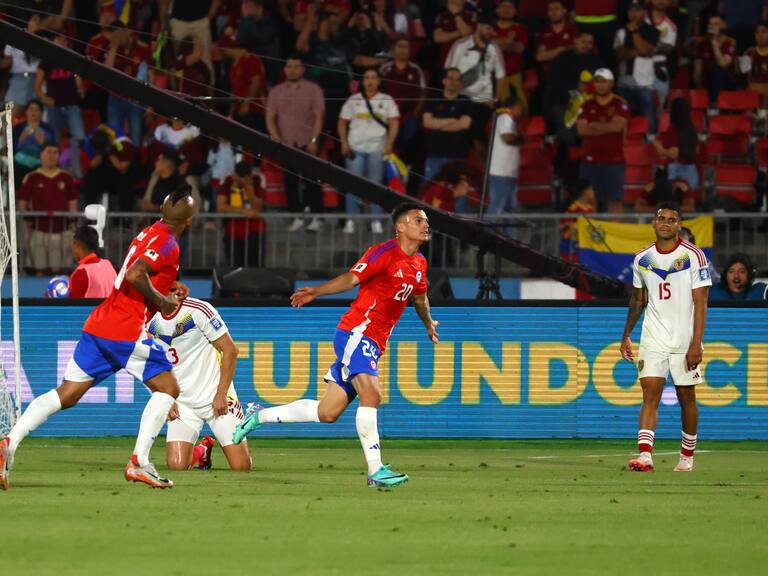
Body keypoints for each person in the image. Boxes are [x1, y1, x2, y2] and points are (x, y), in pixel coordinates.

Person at [1, 187, 199, 491]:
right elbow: (135, 275)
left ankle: (8, 444)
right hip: (125, 327)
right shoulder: (169, 243)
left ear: (163, 207)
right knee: (169, 388)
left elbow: (138, 273)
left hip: (100, 322)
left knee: (67, 393)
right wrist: (162, 299)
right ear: (190, 221)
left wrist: (168, 285)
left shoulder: (149, 232)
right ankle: (139, 462)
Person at [233, 203, 439, 488]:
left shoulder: (419, 263)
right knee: (372, 395)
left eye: (426, 220)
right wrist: (317, 290)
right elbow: (351, 278)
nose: (425, 224)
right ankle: (376, 470)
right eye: (418, 219)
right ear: (400, 226)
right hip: (357, 333)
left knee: (328, 412)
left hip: (374, 342)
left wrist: (428, 323)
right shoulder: (383, 253)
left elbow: (419, 298)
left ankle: (259, 415)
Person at [620, 202, 711, 473]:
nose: (666, 223)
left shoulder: (694, 256)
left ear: (679, 225)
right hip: (653, 336)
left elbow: (701, 301)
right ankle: (645, 456)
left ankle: (687, 457)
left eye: (672, 219)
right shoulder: (642, 258)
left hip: (684, 338)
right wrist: (626, 334)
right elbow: (638, 300)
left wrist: (696, 343)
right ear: (653, 223)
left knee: (686, 397)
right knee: (650, 392)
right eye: (662, 218)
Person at [147, 298, 252, 471]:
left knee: (241, 467)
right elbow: (147, 363)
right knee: (176, 466)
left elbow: (230, 350)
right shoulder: (147, 318)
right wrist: (163, 397)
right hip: (183, 404)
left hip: (215, 398)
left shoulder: (198, 310)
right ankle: (202, 451)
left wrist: (221, 394)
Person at [266, 55, 325, 233]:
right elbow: (270, 117)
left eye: (296, 66)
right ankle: (296, 215)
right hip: (286, 142)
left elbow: (318, 116)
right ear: (284, 69)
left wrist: (314, 140)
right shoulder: (276, 91)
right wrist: (276, 137)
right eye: (289, 66)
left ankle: (316, 216)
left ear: (302, 69)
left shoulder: (313, 89)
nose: (292, 70)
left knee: (312, 181)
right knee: (290, 182)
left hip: (308, 141)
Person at [338, 67, 400, 234]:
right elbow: (342, 122)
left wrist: (390, 142)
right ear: (362, 81)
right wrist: (344, 143)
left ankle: (375, 221)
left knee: (375, 185)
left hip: (377, 147)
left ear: (379, 81)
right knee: (352, 184)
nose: (370, 81)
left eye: (373, 78)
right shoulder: (353, 100)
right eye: (367, 78)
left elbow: (394, 122)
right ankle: (351, 220)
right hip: (355, 147)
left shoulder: (386, 99)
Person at [445, 12, 506, 152]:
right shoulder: (460, 45)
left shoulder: (494, 49)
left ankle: (482, 169)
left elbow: (501, 76)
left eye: (493, 29)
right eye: (489, 28)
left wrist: (496, 99)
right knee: (462, 135)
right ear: (479, 26)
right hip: (461, 99)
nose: (492, 32)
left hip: (484, 102)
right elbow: (448, 71)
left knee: (478, 136)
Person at [18, 143, 79, 277]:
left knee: (57, 270)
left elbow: (72, 205)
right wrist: (26, 226)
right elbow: (23, 204)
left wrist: (72, 226)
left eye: (55, 152)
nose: (51, 156)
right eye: (48, 152)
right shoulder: (32, 177)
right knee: (39, 269)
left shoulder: (66, 177)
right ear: (41, 155)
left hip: (61, 231)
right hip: (38, 230)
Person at [576, 68, 630, 213]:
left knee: (615, 201)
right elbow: (581, 130)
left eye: (604, 81)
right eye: (597, 81)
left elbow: (617, 126)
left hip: (613, 161)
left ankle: (617, 234)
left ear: (611, 83)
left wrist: (593, 125)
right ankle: (591, 235)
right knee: (587, 200)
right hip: (589, 161)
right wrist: (607, 127)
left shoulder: (620, 104)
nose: (600, 85)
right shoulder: (586, 105)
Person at [614, 2, 660, 133]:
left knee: (648, 123)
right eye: (631, 11)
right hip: (624, 84)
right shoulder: (621, 31)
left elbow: (645, 51)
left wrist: (634, 32)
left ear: (644, 12)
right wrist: (637, 51)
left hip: (645, 85)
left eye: (637, 10)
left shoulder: (652, 31)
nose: (633, 14)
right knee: (622, 122)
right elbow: (620, 55)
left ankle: (649, 148)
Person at [422, 68, 473, 185]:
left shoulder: (465, 101)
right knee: (430, 190)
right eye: (450, 78)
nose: (454, 82)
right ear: (444, 81)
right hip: (435, 154)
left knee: (459, 194)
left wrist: (438, 124)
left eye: (457, 79)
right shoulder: (434, 99)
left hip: (458, 155)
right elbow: (427, 122)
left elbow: (465, 124)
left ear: (460, 83)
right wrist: (452, 120)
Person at [217, 161, 265, 267]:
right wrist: (242, 211)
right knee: (234, 265)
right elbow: (221, 206)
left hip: (254, 231)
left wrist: (248, 188)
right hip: (233, 231)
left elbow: (258, 207)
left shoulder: (257, 179)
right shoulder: (227, 180)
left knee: (255, 265)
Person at [486, 96, 523, 233]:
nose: (522, 109)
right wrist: (522, 138)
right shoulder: (505, 117)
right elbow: (507, 137)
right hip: (501, 172)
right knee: (497, 207)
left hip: (509, 172)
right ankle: (485, 237)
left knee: (508, 209)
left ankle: (509, 240)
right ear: (514, 106)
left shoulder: (510, 119)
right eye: (520, 105)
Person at [653, 97, 698, 190]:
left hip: (676, 171)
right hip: (691, 171)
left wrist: (660, 149)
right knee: (688, 201)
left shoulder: (673, 129)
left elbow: (674, 153)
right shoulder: (692, 128)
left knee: (673, 202)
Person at [69, 225, 117, 298]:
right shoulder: (108, 264)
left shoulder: (80, 273)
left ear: (77, 243)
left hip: (95, 309)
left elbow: (74, 308)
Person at [535, 1, 578, 83]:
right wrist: (563, 49)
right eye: (550, 10)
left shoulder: (574, 30)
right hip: (548, 79)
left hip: (571, 77)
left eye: (556, 9)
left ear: (564, 11)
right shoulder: (544, 32)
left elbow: (578, 52)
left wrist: (550, 53)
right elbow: (540, 57)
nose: (553, 12)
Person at [741, 21, 768, 98]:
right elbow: (744, 74)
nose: (760, 35)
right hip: (753, 94)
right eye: (757, 32)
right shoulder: (748, 52)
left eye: (764, 32)